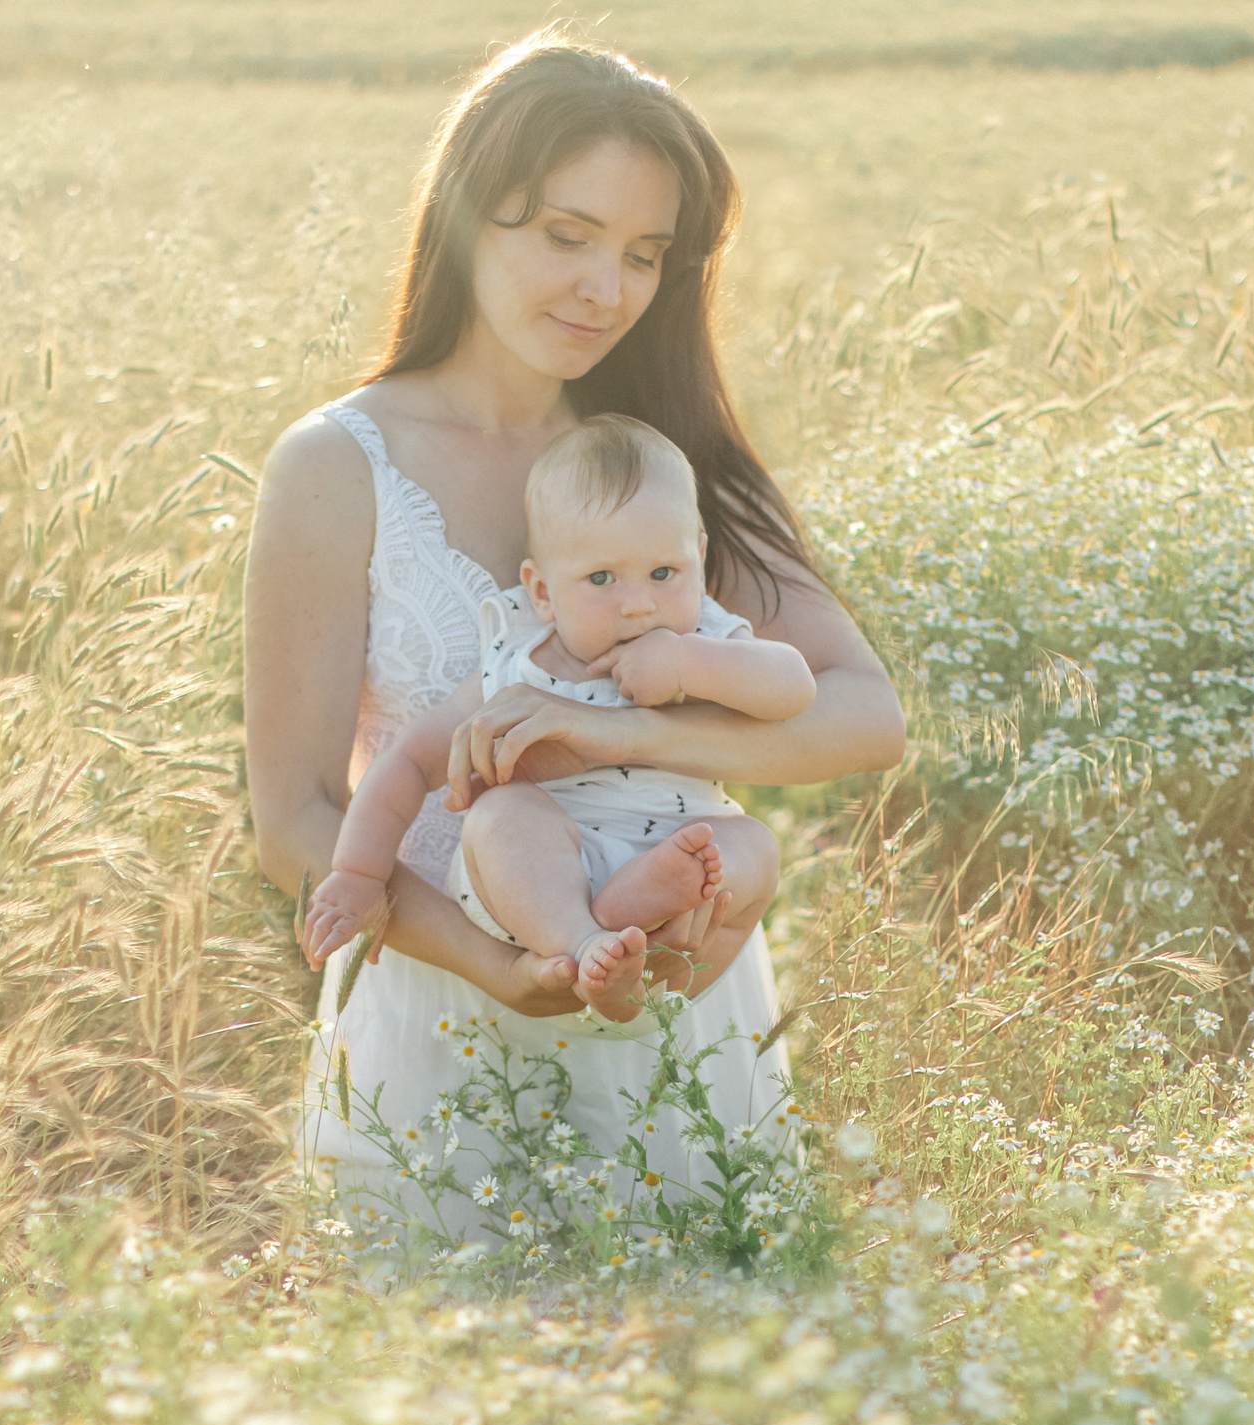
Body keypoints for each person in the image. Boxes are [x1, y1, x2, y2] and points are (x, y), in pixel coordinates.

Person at [242, 32, 905, 1239]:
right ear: (464, 212)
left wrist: (617, 735)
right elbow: (292, 814)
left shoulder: (663, 463)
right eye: (566, 236)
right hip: (429, 1018)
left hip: (667, 1004)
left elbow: (868, 716)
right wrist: (494, 963)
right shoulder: (337, 467)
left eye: (644, 254)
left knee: (696, 1388)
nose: (607, 290)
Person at [297, 414, 813, 1025]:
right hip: (543, 883)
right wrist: (358, 872)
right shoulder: (517, 665)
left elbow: (794, 687)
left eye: (664, 572)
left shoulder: (704, 638)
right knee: (501, 813)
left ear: (697, 557)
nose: (639, 602)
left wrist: (689, 663)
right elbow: (408, 761)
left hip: (680, 858)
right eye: (600, 578)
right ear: (541, 591)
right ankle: (587, 941)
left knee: (755, 845)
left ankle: (644, 962)